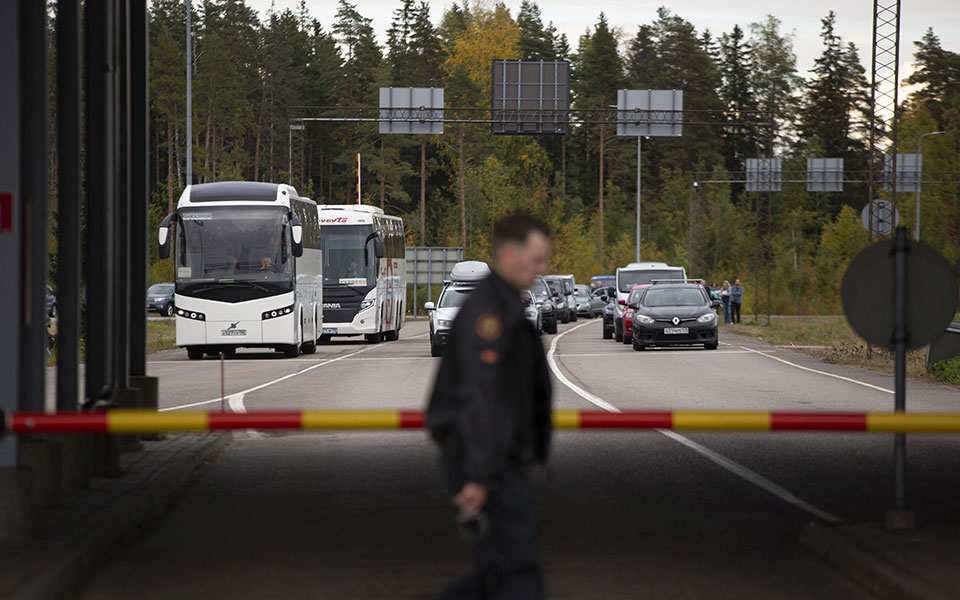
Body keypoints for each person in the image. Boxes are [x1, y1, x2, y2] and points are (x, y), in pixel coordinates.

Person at [427, 213, 553, 600]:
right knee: (519, 574)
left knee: (497, 574)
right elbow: (480, 397)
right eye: (537, 259)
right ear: (510, 256)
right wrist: (479, 476)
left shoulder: (504, 304)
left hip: (494, 459)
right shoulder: (489, 315)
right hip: (486, 463)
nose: (542, 269)